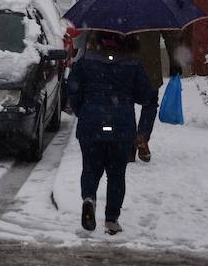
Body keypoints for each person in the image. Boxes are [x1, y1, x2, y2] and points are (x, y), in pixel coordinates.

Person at [66, 31, 156, 235]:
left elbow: (72, 89)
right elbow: (144, 97)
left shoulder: (85, 62)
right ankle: (112, 219)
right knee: (116, 174)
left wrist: (84, 111)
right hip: (121, 126)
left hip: (91, 124)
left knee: (90, 168)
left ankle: (89, 198)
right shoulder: (133, 64)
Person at [130, 30, 183, 162]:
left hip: (126, 65)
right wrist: (175, 63)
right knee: (150, 104)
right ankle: (142, 136)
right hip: (149, 66)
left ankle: (128, 147)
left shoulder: (120, 10)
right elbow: (170, 37)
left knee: (126, 105)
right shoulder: (157, 11)